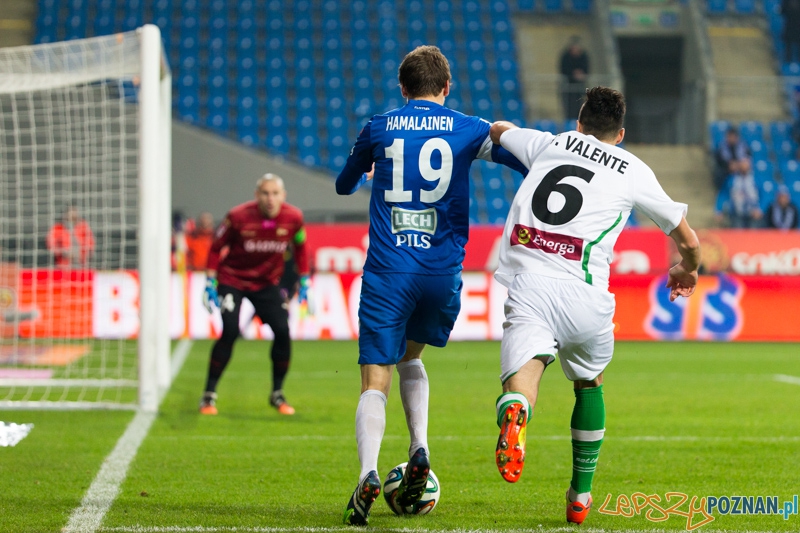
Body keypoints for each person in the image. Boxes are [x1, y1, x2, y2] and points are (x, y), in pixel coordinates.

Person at [489, 87, 701, 525]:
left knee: (523, 379)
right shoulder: (633, 169)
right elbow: (689, 241)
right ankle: (580, 495)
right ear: (620, 133)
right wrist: (687, 268)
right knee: (590, 381)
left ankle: (518, 411)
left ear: (579, 122)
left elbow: (499, 131)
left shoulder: (552, 143)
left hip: (532, 283)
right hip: (587, 294)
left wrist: (508, 134)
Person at [335, 44, 527, 526]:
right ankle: (419, 445)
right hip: (441, 274)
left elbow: (343, 184)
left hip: (388, 272)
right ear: (446, 87)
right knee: (412, 359)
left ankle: (369, 473)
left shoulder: (378, 126)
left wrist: (372, 168)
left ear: (402, 88)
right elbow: (525, 164)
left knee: (373, 378)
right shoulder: (471, 127)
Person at [199, 174, 311, 416]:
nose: (270, 199)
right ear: (256, 195)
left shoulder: (294, 218)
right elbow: (216, 248)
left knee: (283, 331)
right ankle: (209, 395)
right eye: (265, 193)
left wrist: (304, 280)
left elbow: (300, 248)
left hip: (266, 284)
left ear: (283, 196)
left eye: (275, 193)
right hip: (233, 280)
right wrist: (210, 281)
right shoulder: (237, 216)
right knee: (230, 330)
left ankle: (277, 393)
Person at [46, 202, 95, 268]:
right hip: (62, 265)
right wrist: (65, 252)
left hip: (82, 264)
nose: (73, 214)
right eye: (71, 211)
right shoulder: (57, 228)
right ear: (65, 214)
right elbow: (52, 246)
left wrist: (80, 255)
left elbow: (90, 245)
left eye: (75, 211)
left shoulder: (84, 227)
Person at [559, 36, 589, 121]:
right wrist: (573, 74)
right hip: (568, 86)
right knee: (569, 107)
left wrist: (581, 74)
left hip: (580, 86)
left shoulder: (584, 56)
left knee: (580, 106)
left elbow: (586, 69)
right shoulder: (566, 56)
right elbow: (563, 69)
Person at [713, 126, 750, 191]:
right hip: (726, 171)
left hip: (741, 170)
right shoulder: (721, 147)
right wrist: (729, 165)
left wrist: (738, 165)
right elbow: (720, 161)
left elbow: (747, 157)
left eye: (733, 137)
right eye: (730, 136)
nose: (731, 139)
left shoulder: (743, 146)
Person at [782, 0, 800, 64]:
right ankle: (788, 64)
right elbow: (783, 11)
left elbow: (782, 11)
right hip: (791, 26)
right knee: (789, 48)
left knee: (790, 48)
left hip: (791, 27)